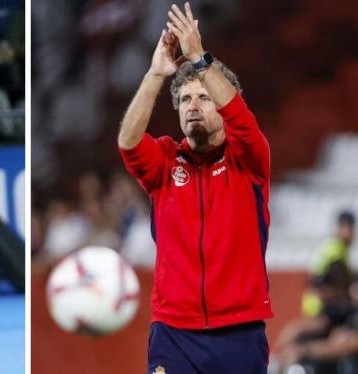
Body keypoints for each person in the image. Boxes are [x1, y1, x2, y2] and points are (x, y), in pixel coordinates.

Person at [117, 3, 272, 373]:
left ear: (221, 105)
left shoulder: (248, 159)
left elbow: (245, 125)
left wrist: (201, 59)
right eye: (186, 99)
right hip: (173, 333)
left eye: (204, 98)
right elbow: (128, 142)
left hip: (239, 332)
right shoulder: (165, 162)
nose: (193, 106)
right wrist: (156, 74)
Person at [302, 210, 356, 317]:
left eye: (350, 228)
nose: (349, 232)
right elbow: (338, 279)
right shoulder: (335, 251)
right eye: (346, 227)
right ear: (339, 228)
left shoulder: (337, 248)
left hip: (319, 302)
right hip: (321, 305)